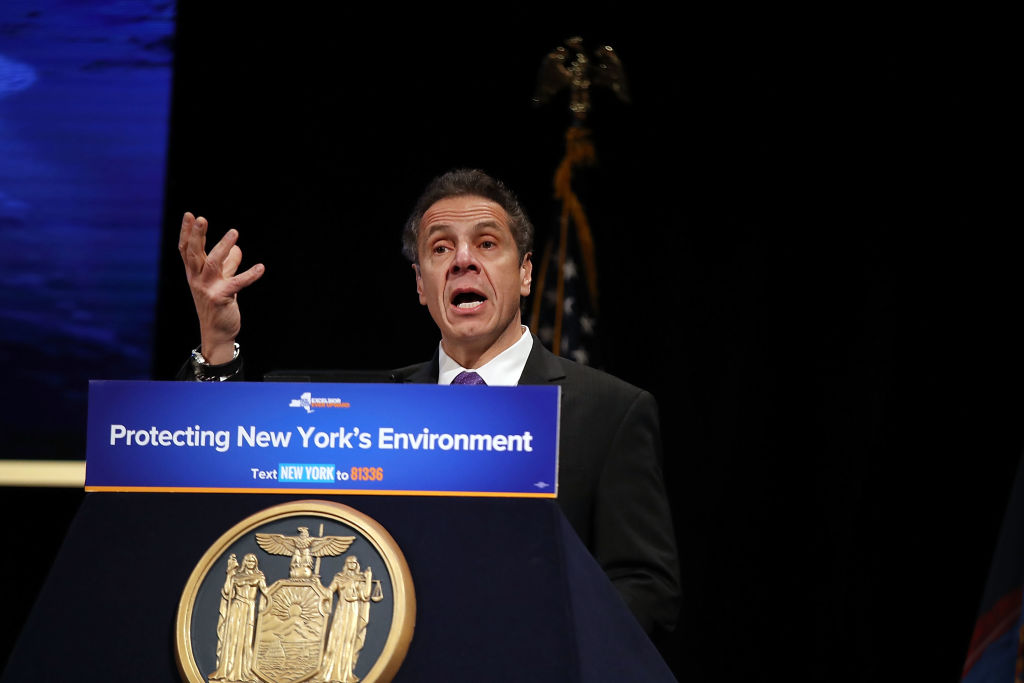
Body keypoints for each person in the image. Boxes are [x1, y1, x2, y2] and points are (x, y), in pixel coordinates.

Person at [177, 168, 681, 636]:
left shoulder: (610, 412)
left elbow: (647, 589)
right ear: (422, 283)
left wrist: (540, 638)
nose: (463, 259)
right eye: (441, 248)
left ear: (526, 273)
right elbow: (229, 469)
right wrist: (217, 345)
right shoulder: (370, 413)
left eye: (487, 243)